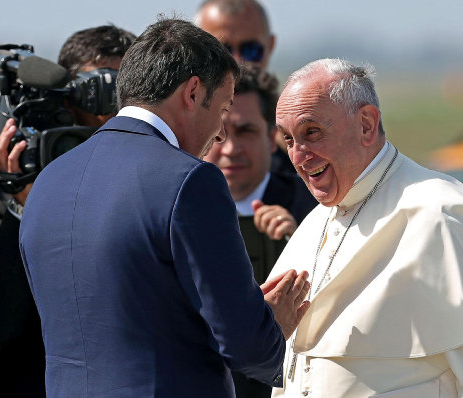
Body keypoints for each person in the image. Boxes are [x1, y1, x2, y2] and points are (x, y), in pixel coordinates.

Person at [19, 17, 311, 398]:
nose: (221, 133)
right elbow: (246, 345)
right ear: (192, 92)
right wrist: (271, 324)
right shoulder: (191, 180)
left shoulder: (47, 180)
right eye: (223, 109)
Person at [268, 58, 463, 397]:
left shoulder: (443, 218)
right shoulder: (315, 224)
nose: (298, 155)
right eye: (288, 139)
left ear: (367, 124)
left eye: (312, 132)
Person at [0, 25, 136, 398]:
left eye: (124, 92)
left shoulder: (155, 176)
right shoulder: (16, 174)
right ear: (64, 96)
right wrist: (24, 206)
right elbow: (4, 322)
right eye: (96, 90)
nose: (109, 109)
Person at [204, 67, 317, 398]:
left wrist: (303, 240)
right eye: (220, 134)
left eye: (246, 131)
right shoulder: (175, 208)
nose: (230, 149)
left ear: (273, 139)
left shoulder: (316, 204)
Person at [195, 0, 295, 175]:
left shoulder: (296, 145)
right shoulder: (172, 134)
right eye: (223, 50)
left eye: (251, 50)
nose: (238, 61)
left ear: (270, 45)